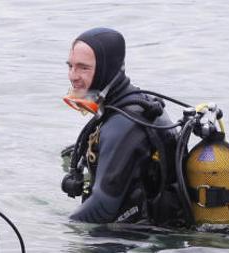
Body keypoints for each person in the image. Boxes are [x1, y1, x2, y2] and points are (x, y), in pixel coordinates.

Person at [62, 27, 184, 225]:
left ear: (106, 68)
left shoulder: (125, 124)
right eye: (70, 66)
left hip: (132, 244)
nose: (73, 76)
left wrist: (54, 232)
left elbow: (102, 207)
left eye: (83, 68)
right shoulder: (132, 104)